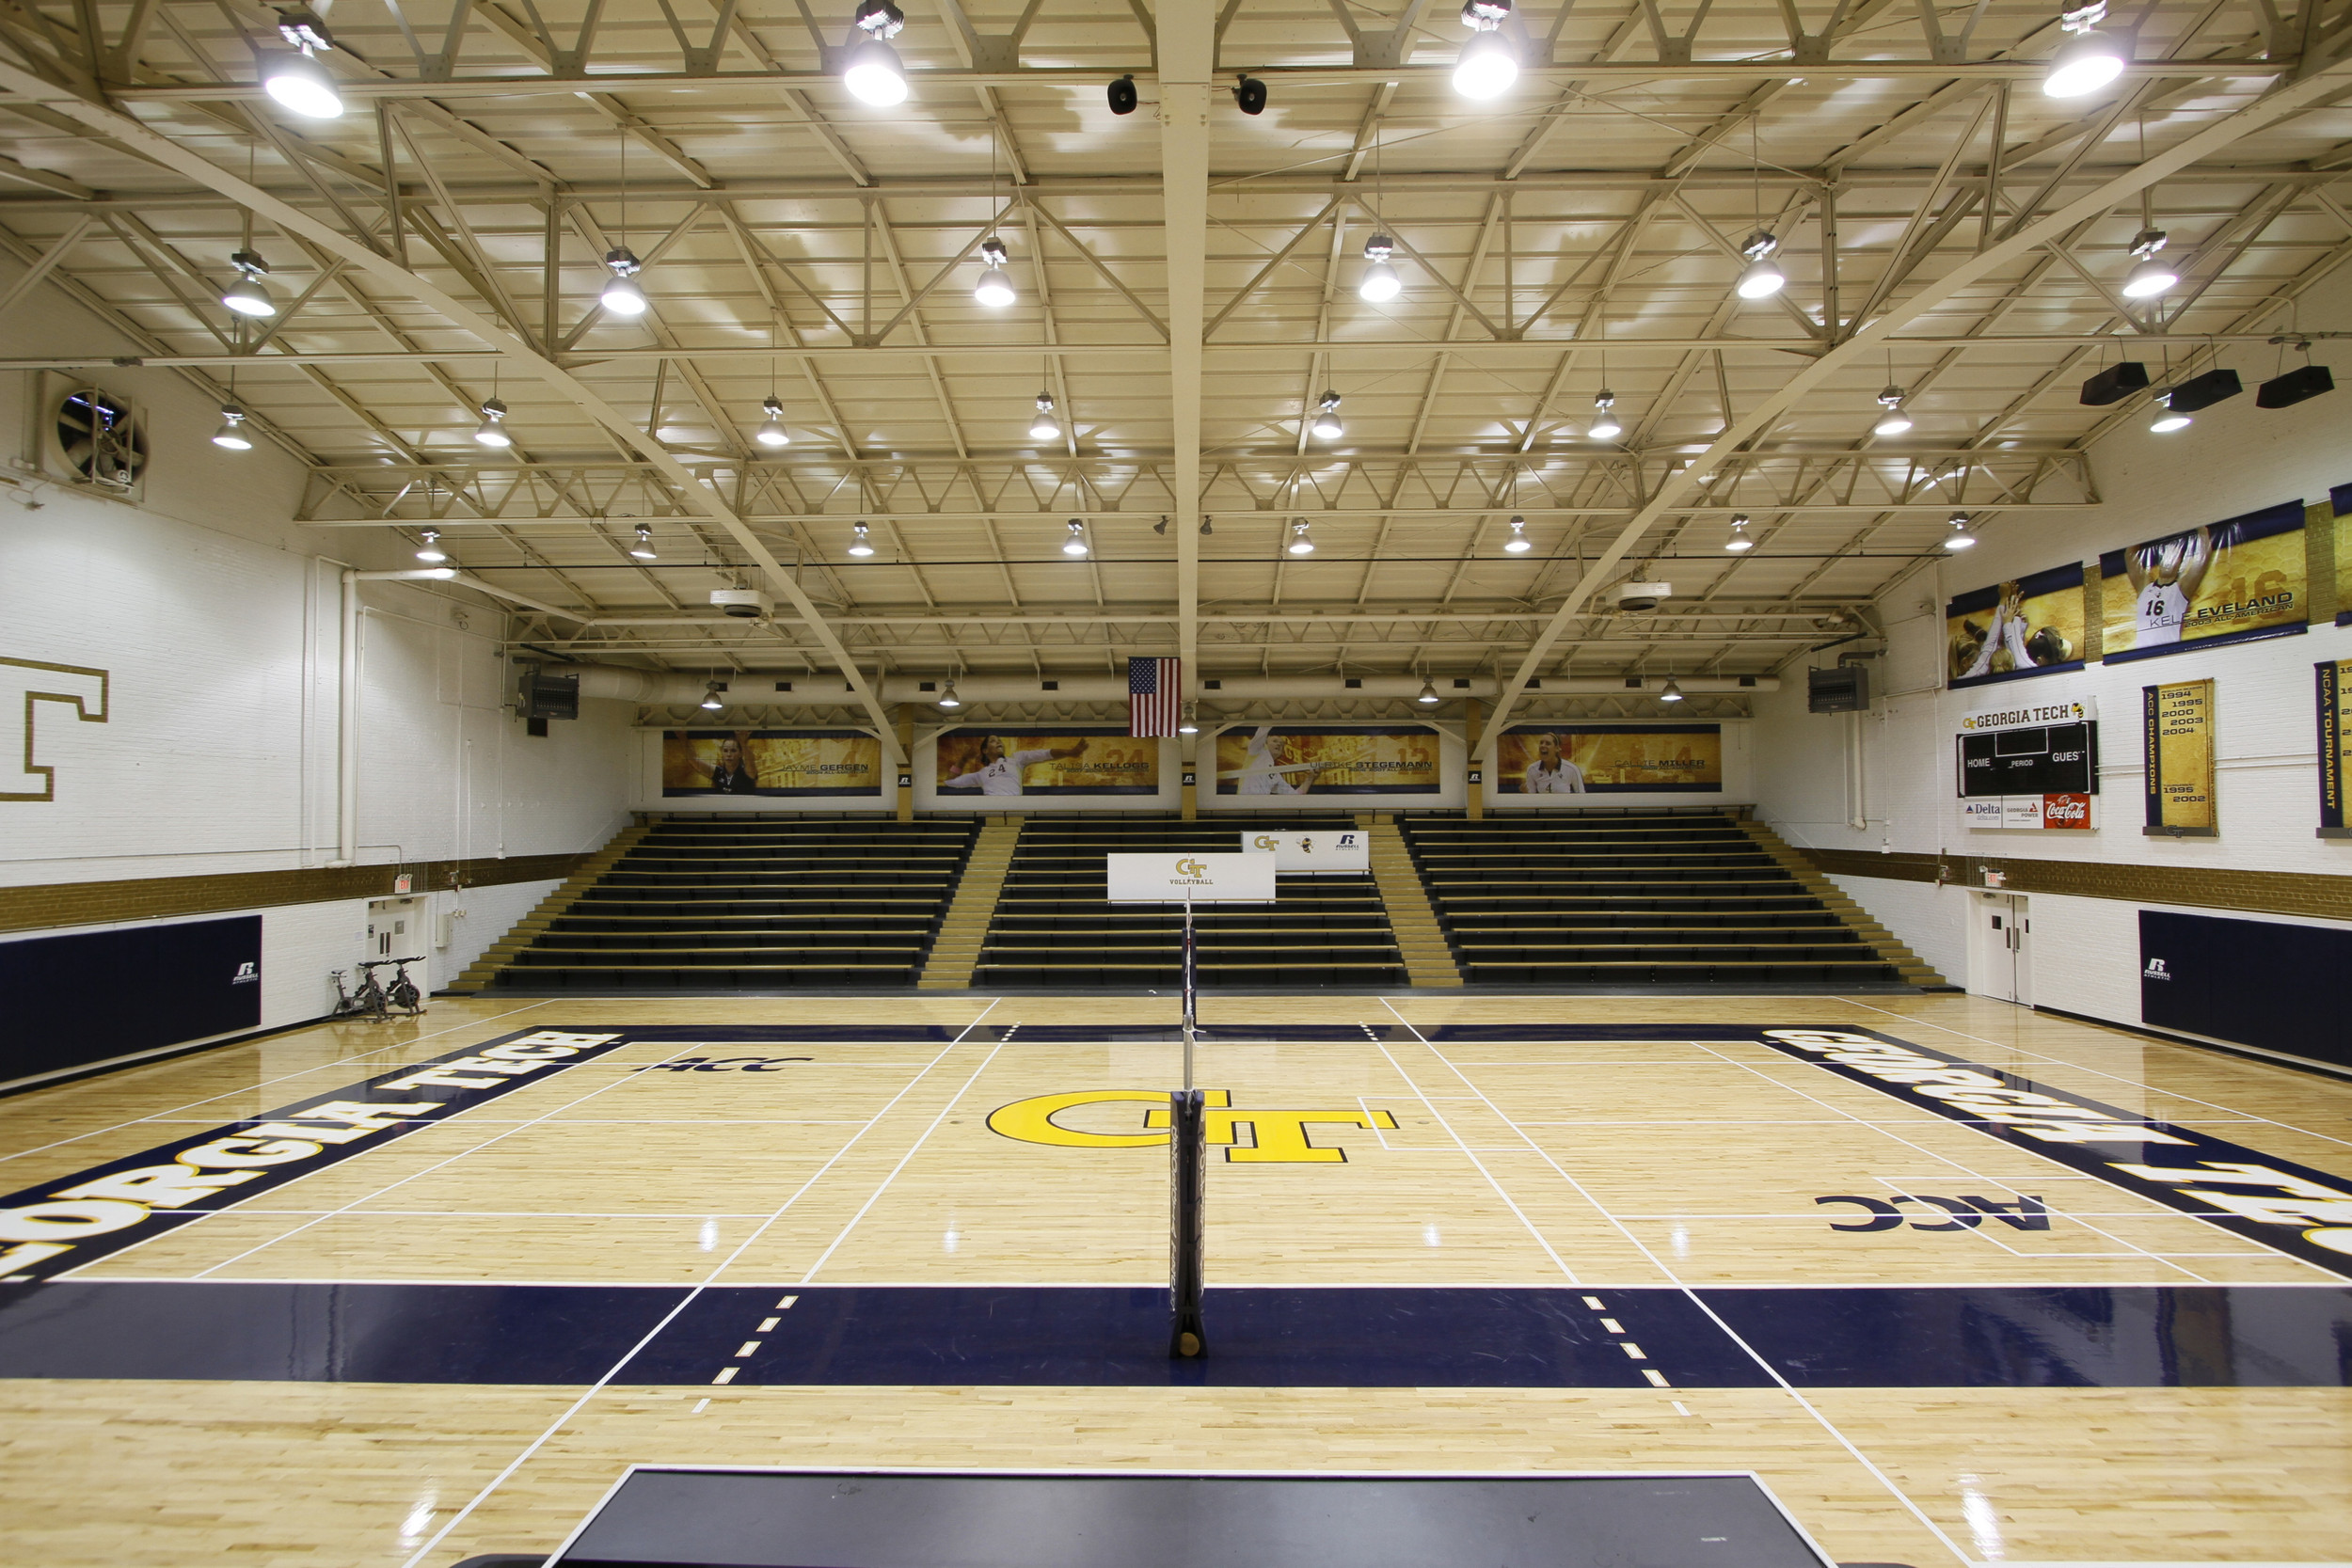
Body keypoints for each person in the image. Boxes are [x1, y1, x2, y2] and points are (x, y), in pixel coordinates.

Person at [2124, 526, 2214, 647]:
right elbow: (2129, 555)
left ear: (2179, 564)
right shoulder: (2145, 586)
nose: (2169, 560)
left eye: (2174, 557)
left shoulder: (2181, 589)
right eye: (2166, 556)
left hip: (2168, 651)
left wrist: (2201, 527)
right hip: (2142, 651)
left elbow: (2203, 558)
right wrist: (2141, 527)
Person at [939, 734, 1088, 795]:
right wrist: (964, 759)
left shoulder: (1016, 759)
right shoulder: (981, 774)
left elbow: (1044, 753)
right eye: (993, 741)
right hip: (991, 809)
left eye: (999, 740)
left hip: (1013, 807)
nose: (998, 742)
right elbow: (950, 781)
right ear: (985, 750)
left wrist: (1069, 752)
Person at [1239, 724, 1311, 794]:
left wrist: (1311, 777)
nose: (1279, 744)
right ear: (1266, 742)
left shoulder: (1276, 776)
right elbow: (1263, 729)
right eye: (1275, 741)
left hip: (1261, 804)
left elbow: (1295, 795)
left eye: (1281, 744)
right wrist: (1275, 718)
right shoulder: (1256, 750)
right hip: (1245, 801)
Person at [1521, 731, 1585, 793]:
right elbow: (1531, 798)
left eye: (1548, 743)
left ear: (1557, 748)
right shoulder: (1532, 769)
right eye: (1541, 743)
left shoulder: (1572, 769)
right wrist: (1526, 793)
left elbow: (1582, 796)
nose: (1543, 745)